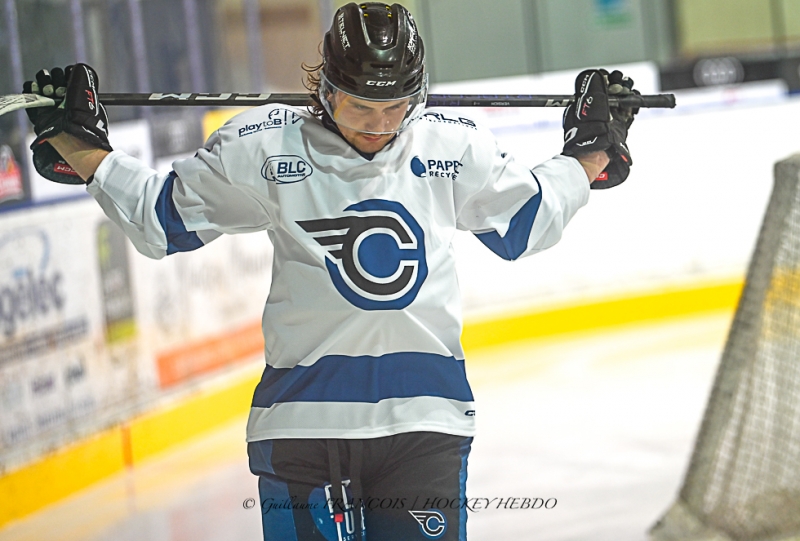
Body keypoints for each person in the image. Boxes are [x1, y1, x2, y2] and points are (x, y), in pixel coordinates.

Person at [22, 3, 638, 540]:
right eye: (359, 104)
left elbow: (524, 223)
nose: (378, 124)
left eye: (395, 105)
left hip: (423, 424)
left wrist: (591, 148)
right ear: (325, 88)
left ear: (417, 95)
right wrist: (79, 143)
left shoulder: (453, 148)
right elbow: (161, 218)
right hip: (302, 427)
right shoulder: (265, 148)